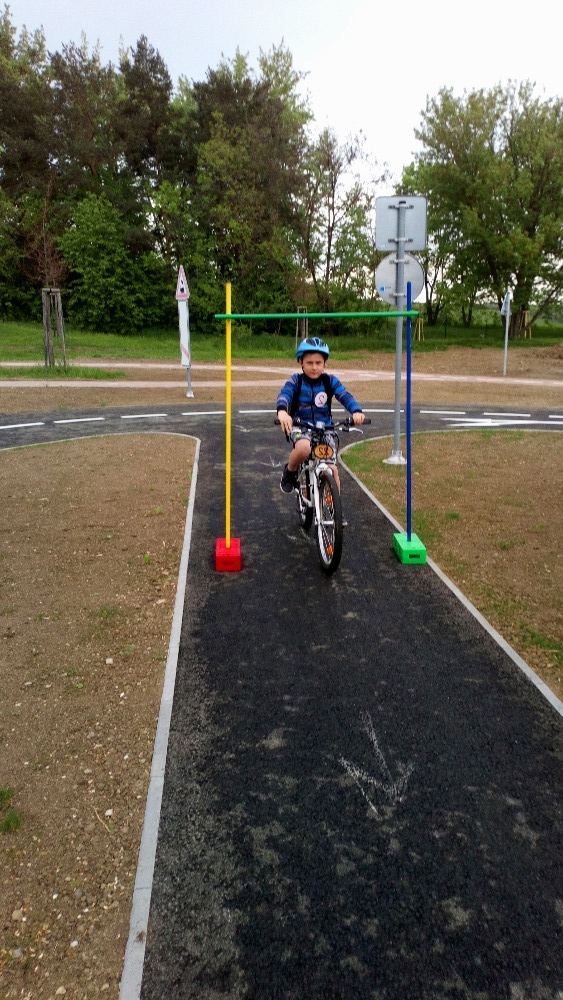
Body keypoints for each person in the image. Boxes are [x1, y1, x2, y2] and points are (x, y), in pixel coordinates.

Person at [276, 337, 365, 509]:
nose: (314, 367)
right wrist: (282, 412)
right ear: (301, 362)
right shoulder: (296, 381)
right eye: (309, 363)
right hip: (301, 426)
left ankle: (334, 509)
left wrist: (356, 411)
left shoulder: (329, 381)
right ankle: (290, 471)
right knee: (304, 448)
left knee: (332, 468)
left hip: (325, 428)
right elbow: (284, 395)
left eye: (318, 363)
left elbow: (344, 395)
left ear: (324, 363)